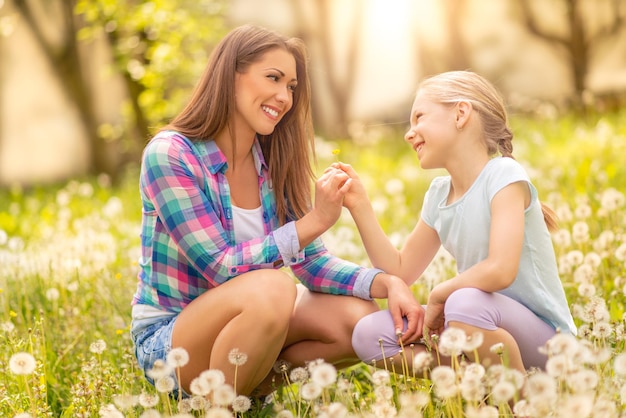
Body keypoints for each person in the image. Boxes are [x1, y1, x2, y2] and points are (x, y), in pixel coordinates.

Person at [129, 24, 421, 398]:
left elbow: (310, 264)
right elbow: (219, 267)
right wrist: (313, 222)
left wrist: (388, 283)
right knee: (273, 288)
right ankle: (217, 408)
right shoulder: (170, 154)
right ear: (231, 75)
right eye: (274, 78)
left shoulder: (273, 159)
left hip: (251, 318)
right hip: (171, 341)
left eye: (291, 87)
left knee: (357, 318)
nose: (284, 96)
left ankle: (245, 391)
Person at [337, 70, 576, 373]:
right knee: (370, 334)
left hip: (549, 347)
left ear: (461, 114)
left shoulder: (503, 175)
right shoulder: (438, 195)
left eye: (419, 117)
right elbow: (399, 270)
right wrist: (359, 205)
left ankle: (522, 406)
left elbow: (501, 269)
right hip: (472, 324)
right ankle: (485, 389)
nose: (408, 133)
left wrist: (439, 296)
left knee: (463, 303)